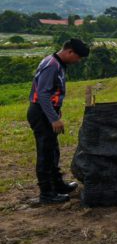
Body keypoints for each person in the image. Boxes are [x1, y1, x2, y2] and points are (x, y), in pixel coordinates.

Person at [28, 38, 90, 204]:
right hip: (41, 114)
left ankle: (57, 185)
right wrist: (53, 118)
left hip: (47, 111)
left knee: (53, 151)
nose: (78, 61)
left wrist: (56, 109)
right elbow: (42, 94)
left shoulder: (57, 63)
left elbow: (52, 93)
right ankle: (47, 194)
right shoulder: (52, 65)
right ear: (70, 52)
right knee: (45, 153)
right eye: (78, 57)